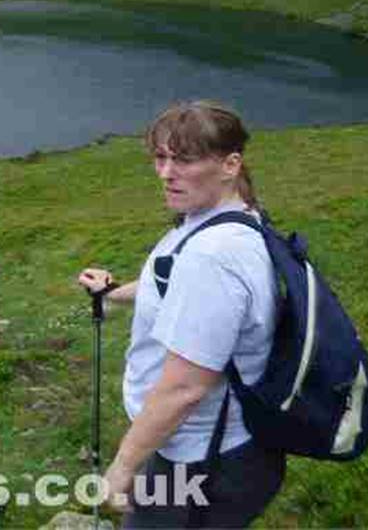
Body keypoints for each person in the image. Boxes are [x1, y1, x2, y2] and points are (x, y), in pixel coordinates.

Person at [77, 100, 285, 528]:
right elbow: (173, 285)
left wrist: (122, 469)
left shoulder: (213, 256)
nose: (166, 173)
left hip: (204, 460)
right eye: (160, 157)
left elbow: (184, 388)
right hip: (207, 446)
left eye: (185, 159)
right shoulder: (228, 218)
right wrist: (115, 292)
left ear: (230, 164)